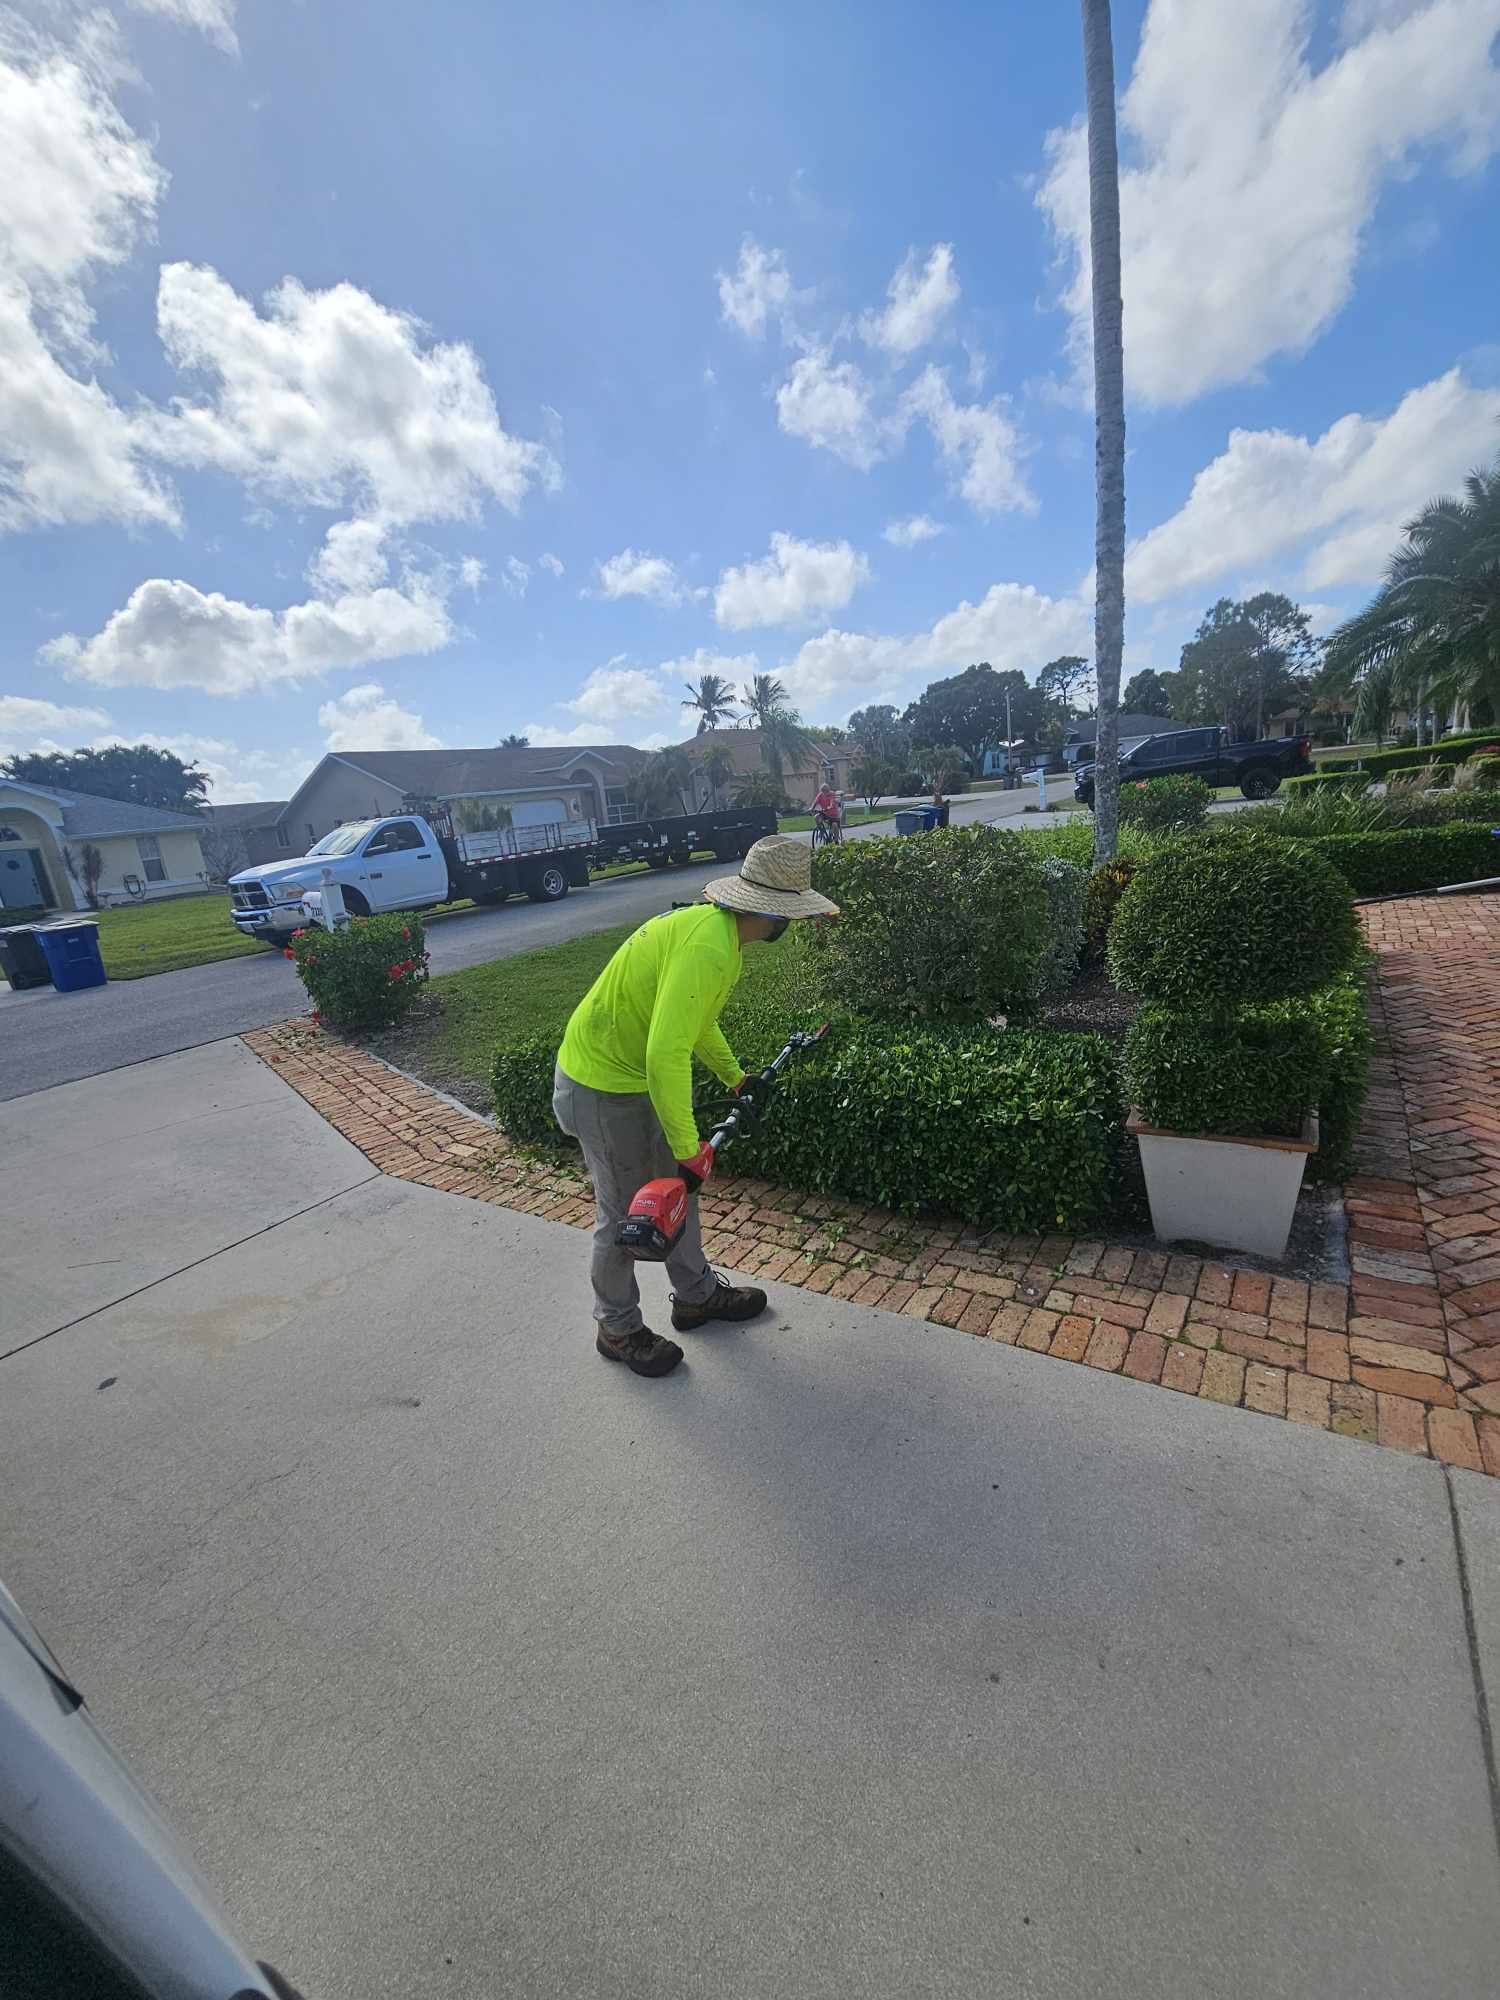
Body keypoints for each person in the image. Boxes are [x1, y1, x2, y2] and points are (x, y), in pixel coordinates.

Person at [553, 836, 839, 1378]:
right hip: (602, 1086)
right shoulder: (708, 946)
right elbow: (666, 1052)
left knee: (675, 1195)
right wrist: (689, 1149)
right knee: (625, 1216)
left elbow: (696, 1024)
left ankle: (696, 1296)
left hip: (635, 1079)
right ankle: (616, 1327)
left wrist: (735, 1077)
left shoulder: (720, 936)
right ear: (774, 913)